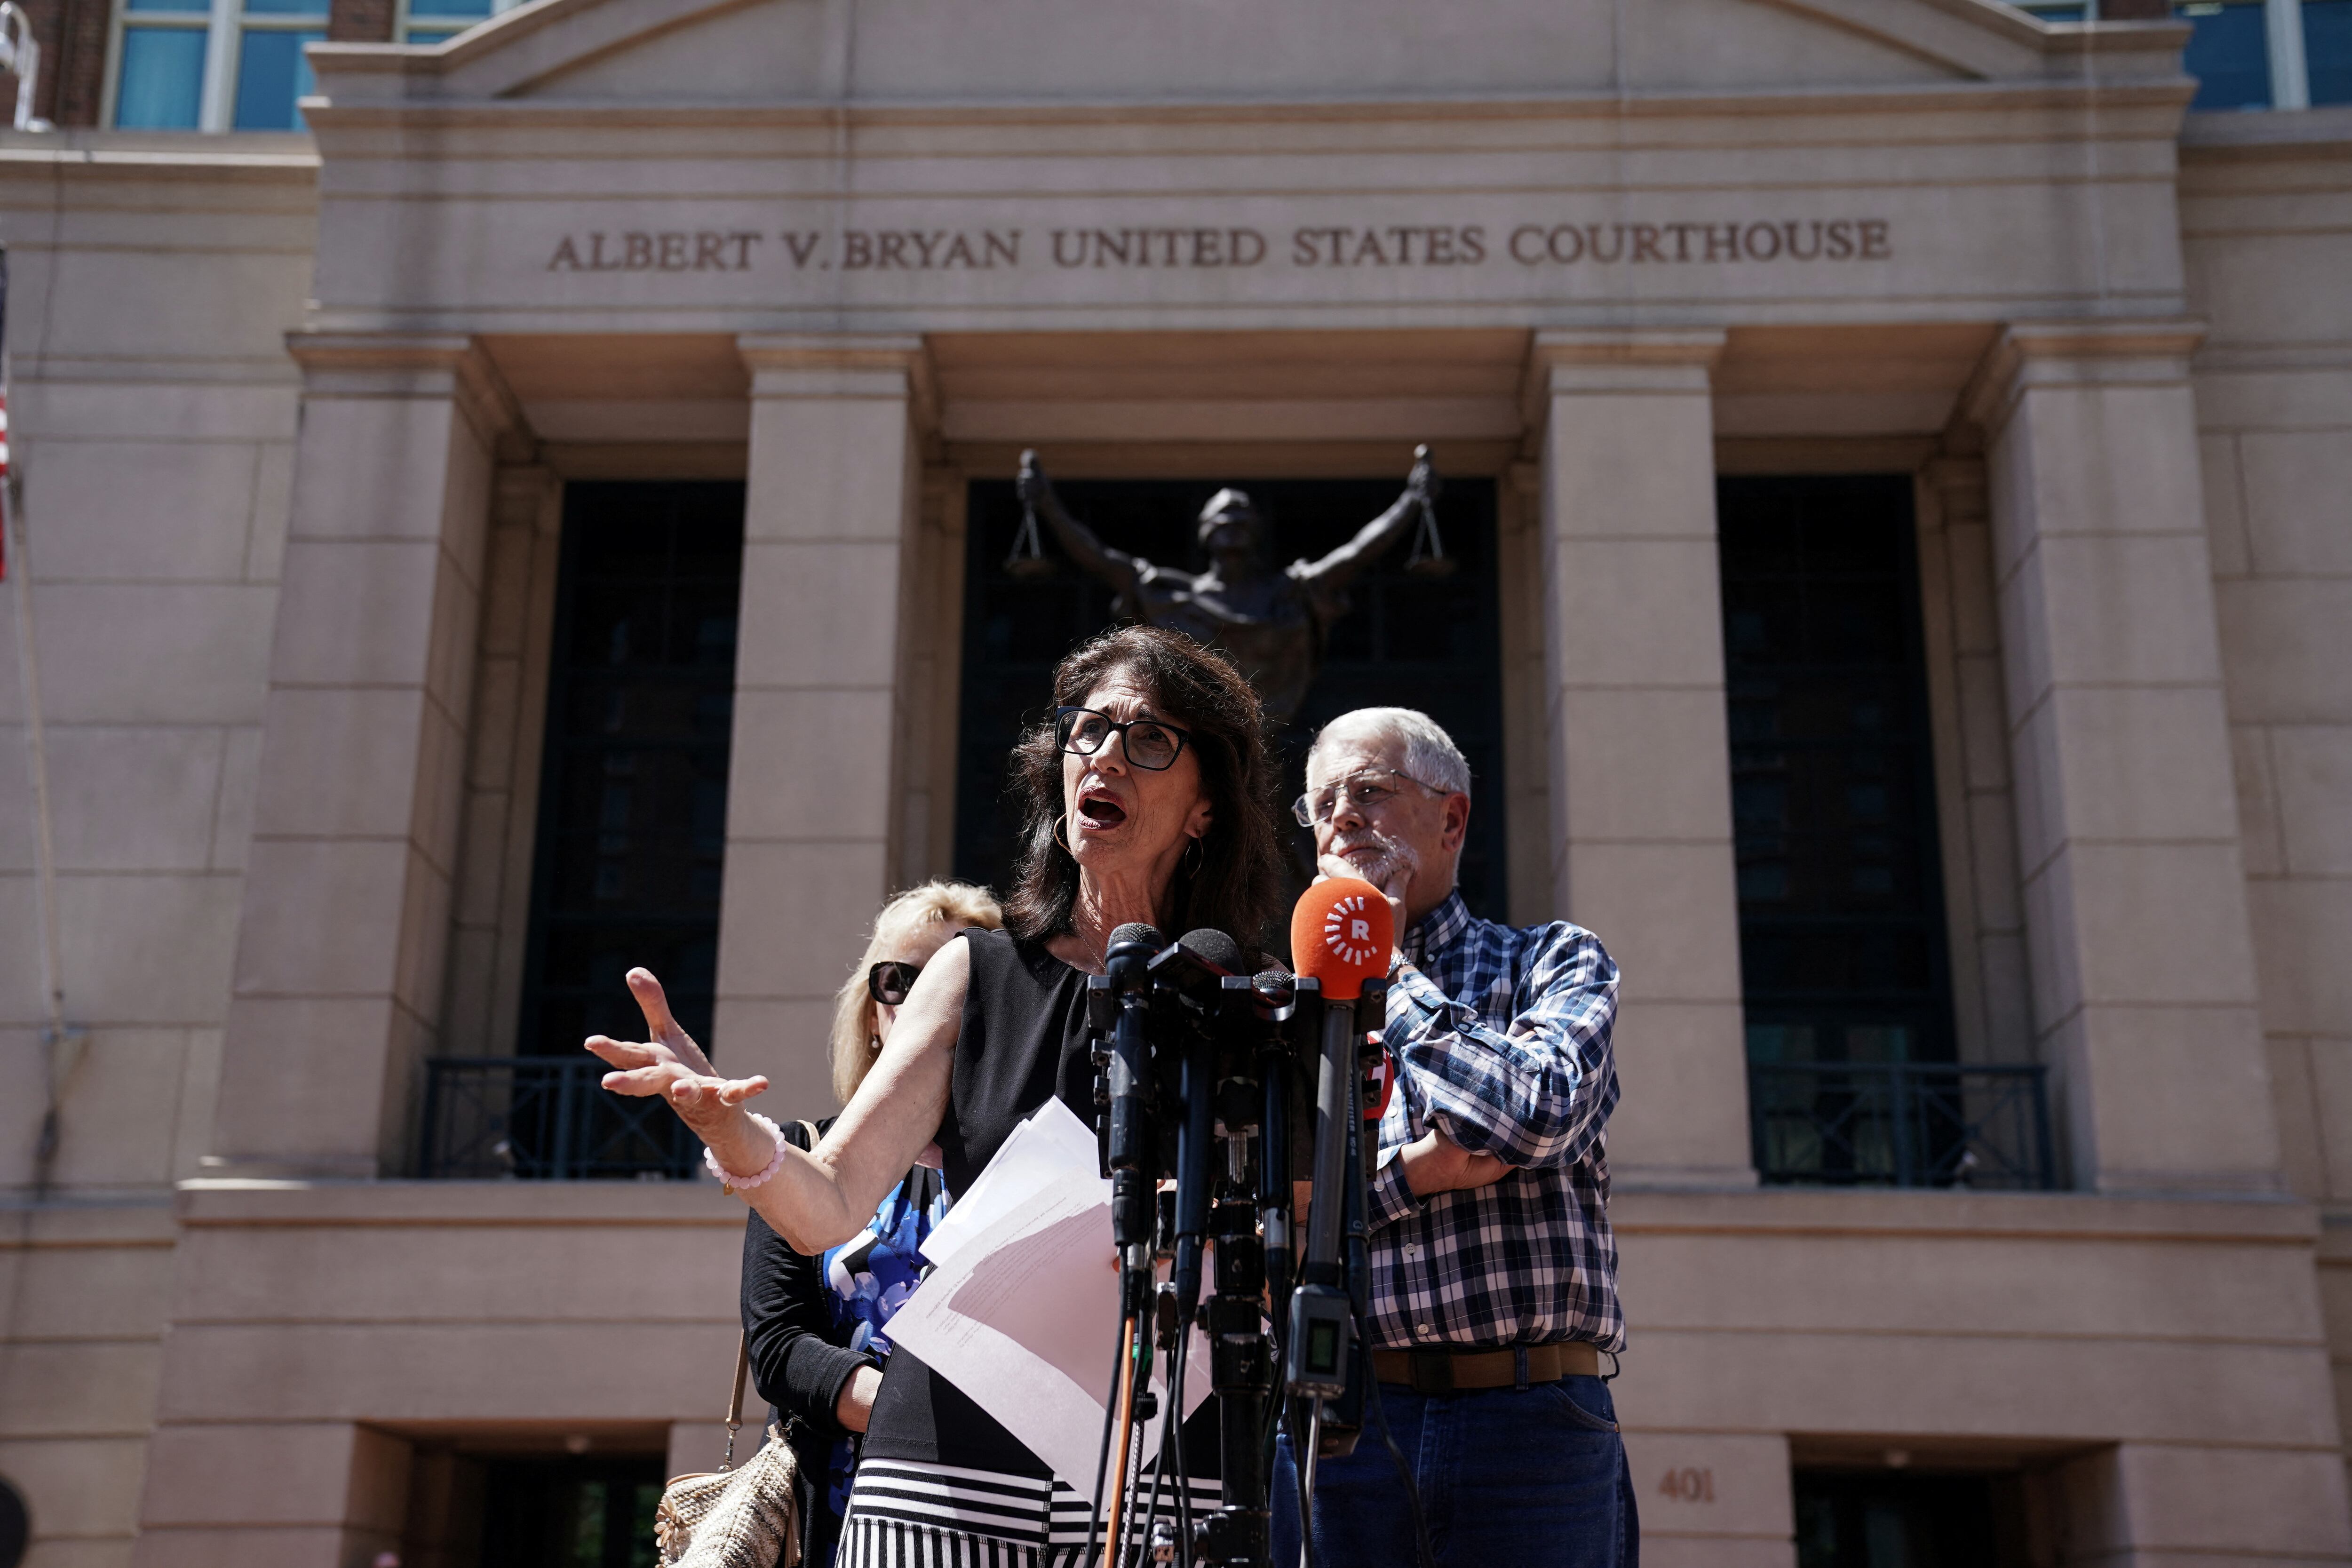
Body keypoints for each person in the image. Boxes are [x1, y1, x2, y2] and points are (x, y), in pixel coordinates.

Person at [588, 623, 1287, 1568]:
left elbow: (1297, 1235)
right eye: (1089, 729)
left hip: (1159, 1472)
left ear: (1206, 806)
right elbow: (828, 1200)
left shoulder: (1250, 997)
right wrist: (734, 1130)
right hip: (941, 1471)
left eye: (1149, 737)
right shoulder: (972, 974)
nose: (1108, 755)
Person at [1273, 706, 1634, 1568]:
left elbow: (1529, 1113)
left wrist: (1383, 965)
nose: (1343, 817)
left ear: (1453, 817)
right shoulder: (1289, 1008)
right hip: (1343, 1425)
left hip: (1535, 1424)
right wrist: (1418, 1173)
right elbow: (1265, 1219)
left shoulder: (1551, 962)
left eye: (1370, 790)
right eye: (1322, 803)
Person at [738, 879, 1003, 1567]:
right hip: (835, 1516)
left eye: (958, 987)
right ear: (870, 1013)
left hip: (990, 1512)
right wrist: (904, 1410)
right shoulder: (804, 1154)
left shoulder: (1021, 1164)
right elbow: (777, 1343)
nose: (924, 1003)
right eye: (899, 981)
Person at [1016, 449, 1438, 721]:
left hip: (1273, 746)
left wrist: (1410, 502)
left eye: (1242, 520)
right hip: (1194, 742)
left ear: (1257, 535)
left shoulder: (1289, 594)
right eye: (1221, 519)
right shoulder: (1170, 595)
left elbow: (1357, 553)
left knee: (1283, 842)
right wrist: (1046, 504)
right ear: (1203, 534)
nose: (1232, 526)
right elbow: (1097, 555)